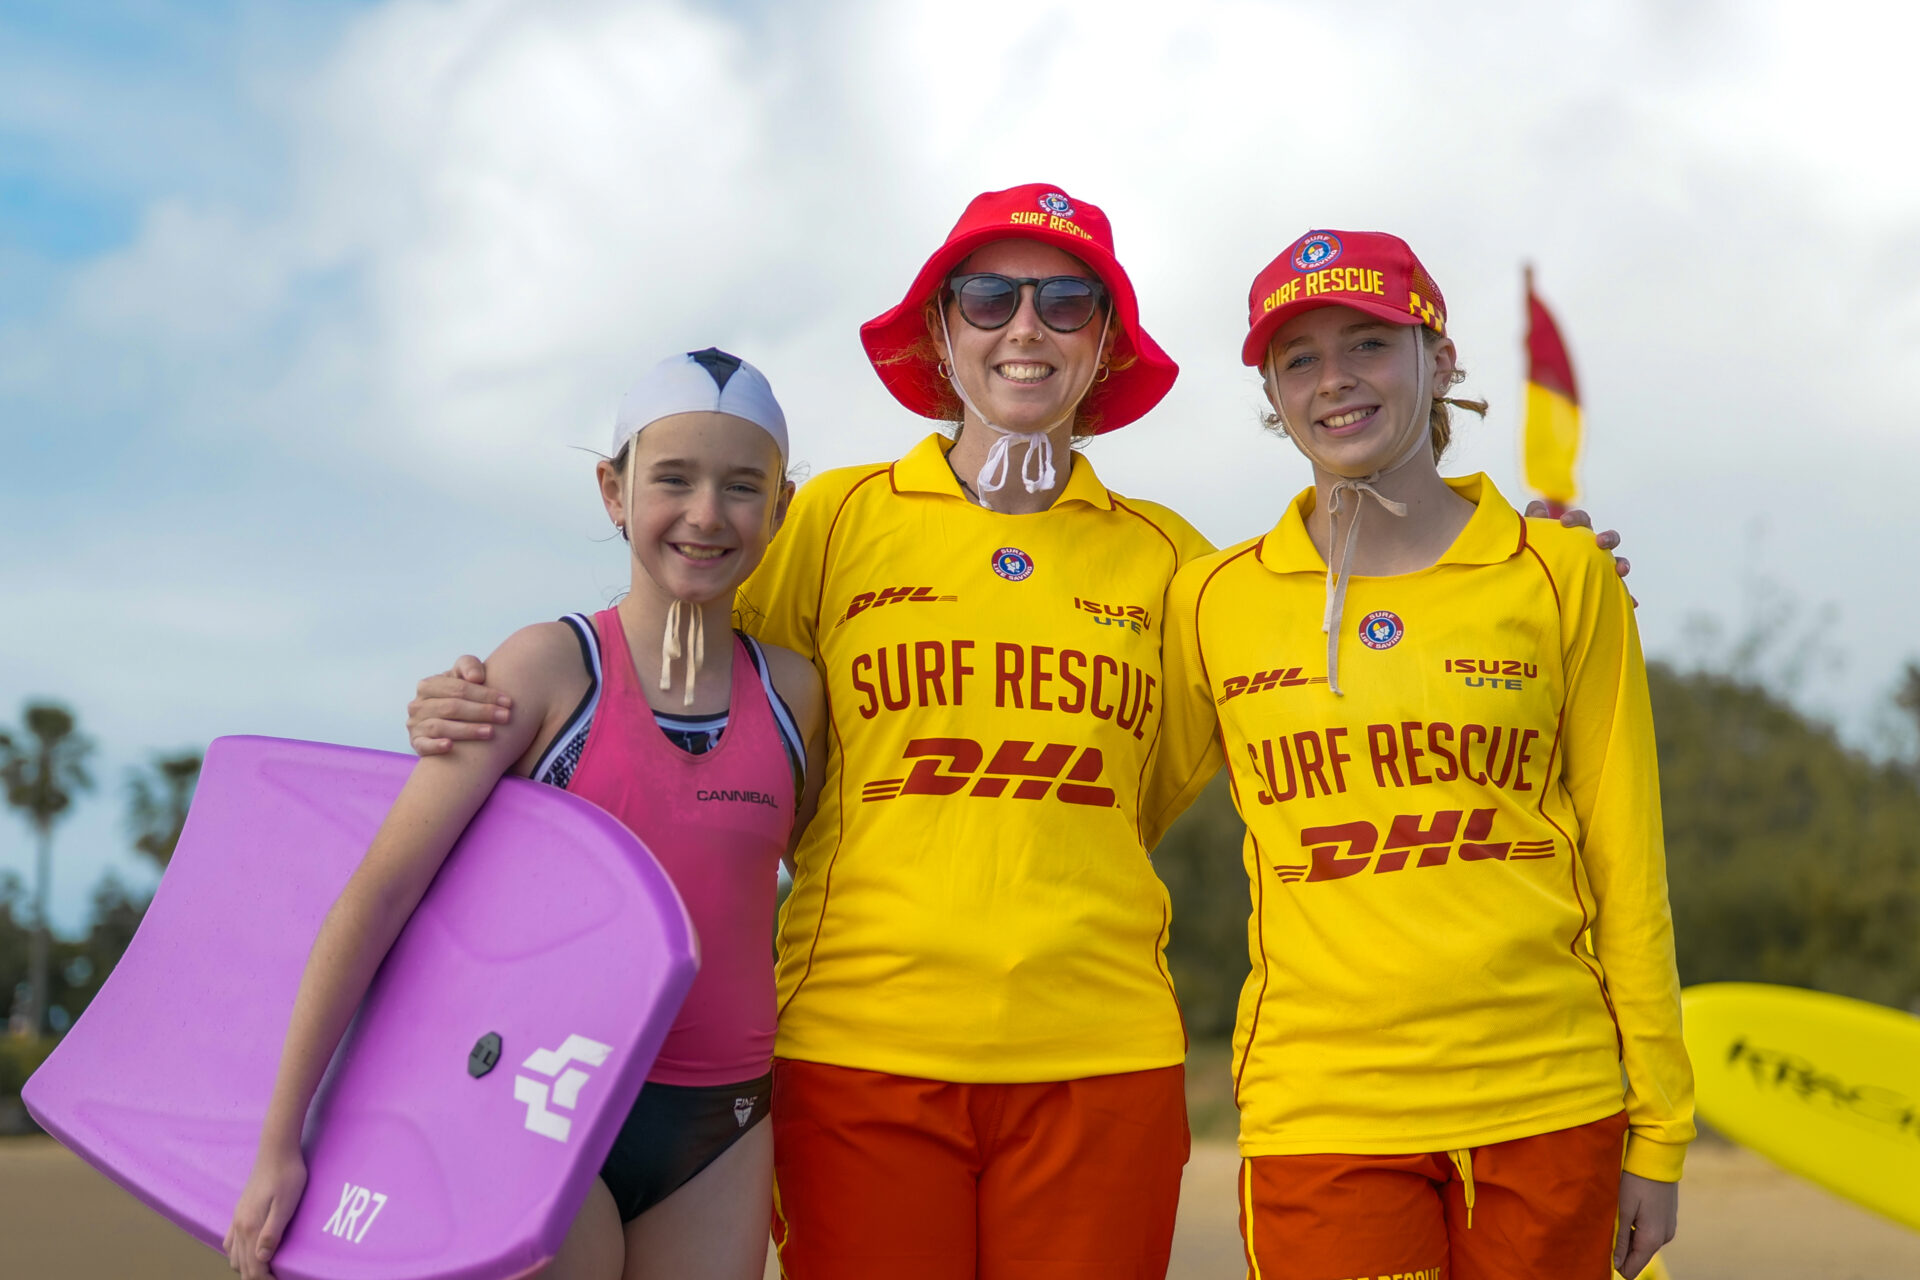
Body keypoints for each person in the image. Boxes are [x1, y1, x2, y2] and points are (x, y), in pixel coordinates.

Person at [406, 190, 1633, 1280]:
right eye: (989, 297)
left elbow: (1345, 659)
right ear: (942, 331)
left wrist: (1526, 558)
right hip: (860, 1047)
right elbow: (683, 679)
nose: (1024, 328)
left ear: (1106, 343)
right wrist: (479, 702)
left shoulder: (1175, 566)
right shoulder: (835, 521)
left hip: (1104, 1057)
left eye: (1065, 301)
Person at [1150, 231, 1691, 1280]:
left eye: (1367, 342)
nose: (1335, 379)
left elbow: (1631, 868)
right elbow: (1106, 812)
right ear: (1270, 389)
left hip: (1550, 1096)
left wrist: (1661, 1129)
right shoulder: (1214, 598)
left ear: (1439, 360)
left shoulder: (1559, 573)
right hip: (1324, 1111)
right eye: (1298, 358)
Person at [224, 349, 824, 1280]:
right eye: (673, 479)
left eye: (743, 487)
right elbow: (378, 896)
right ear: (613, 492)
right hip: (536, 1099)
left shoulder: (796, 695)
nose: (707, 514)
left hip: (724, 1121)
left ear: (781, 510)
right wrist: (280, 1140)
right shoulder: (549, 669)